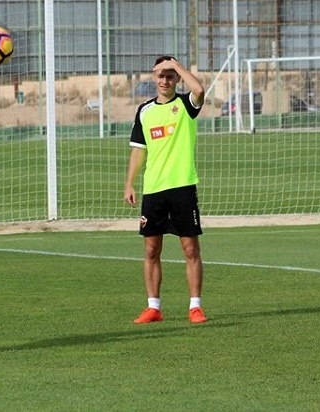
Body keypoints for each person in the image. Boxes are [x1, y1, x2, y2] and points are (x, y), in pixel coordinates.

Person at [123, 55, 207, 324]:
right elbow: (139, 150)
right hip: (154, 190)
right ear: (154, 77)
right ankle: (153, 307)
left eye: (170, 75)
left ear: (177, 78)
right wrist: (129, 183)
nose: (165, 80)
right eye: (160, 75)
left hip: (182, 186)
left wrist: (176, 64)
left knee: (190, 249)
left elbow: (200, 90)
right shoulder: (144, 111)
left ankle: (195, 307)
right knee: (151, 250)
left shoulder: (186, 104)